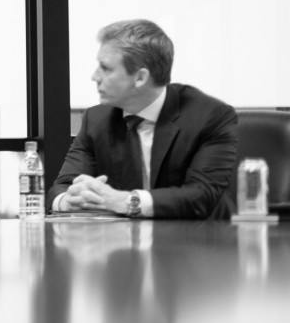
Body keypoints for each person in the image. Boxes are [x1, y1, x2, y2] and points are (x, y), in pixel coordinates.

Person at [47, 19, 237, 219]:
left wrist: (125, 201)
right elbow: (61, 187)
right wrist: (67, 201)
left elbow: (202, 196)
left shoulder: (210, 117)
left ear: (140, 78)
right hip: (120, 244)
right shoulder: (96, 119)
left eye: (105, 68)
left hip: (198, 243)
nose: (94, 76)